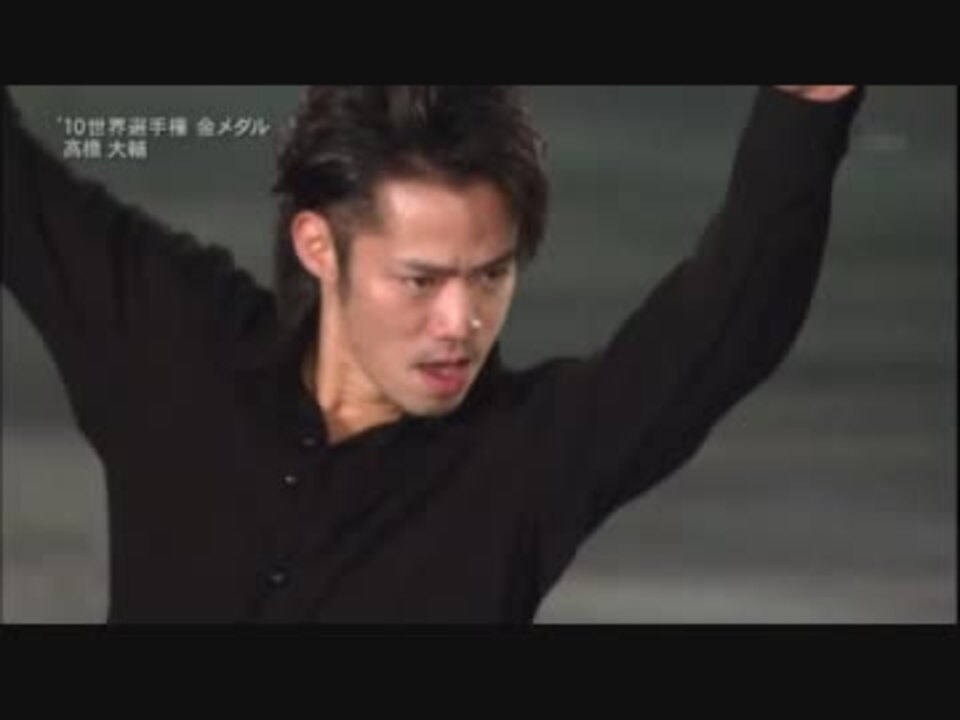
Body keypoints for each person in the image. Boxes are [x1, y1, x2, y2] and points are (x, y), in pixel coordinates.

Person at [1, 84, 864, 623]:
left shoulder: (523, 460)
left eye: (491, 275)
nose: (461, 321)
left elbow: (727, 325)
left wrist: (808, 102)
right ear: (318, 245)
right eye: (420, 280)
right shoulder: (181, 351)